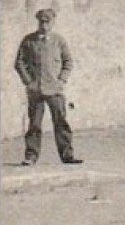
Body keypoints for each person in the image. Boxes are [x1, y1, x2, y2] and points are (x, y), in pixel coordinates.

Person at [15, 9, 80, 166]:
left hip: (55, 90)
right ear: (38, 22)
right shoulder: (29, 41)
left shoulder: (59, 41)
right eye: (41, 22)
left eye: (48, 22)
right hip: (36, 90)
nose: (44, 25)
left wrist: (61, 80)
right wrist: (28, 82)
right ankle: (31, 156)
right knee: (34, 124)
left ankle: (67, 155)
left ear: (53, 22)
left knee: (61, 122)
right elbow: (19, 63)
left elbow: (68, 62)